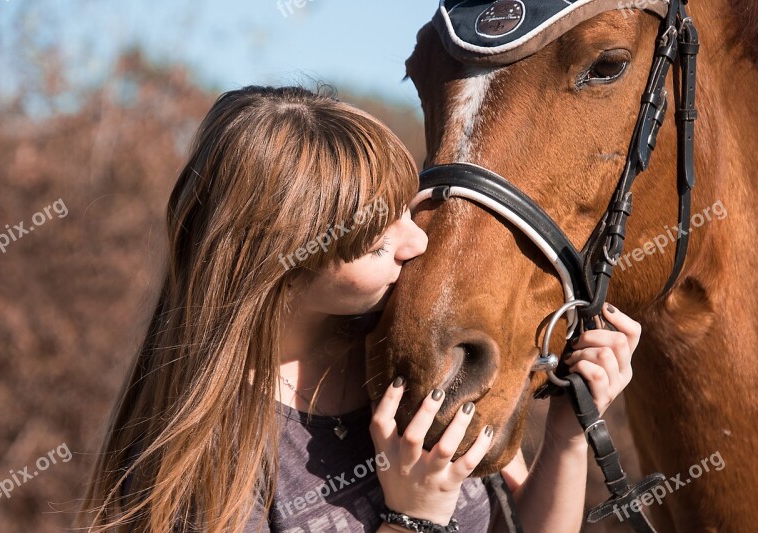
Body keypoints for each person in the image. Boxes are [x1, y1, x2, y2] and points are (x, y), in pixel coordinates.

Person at [77, 85, 641, 532]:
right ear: (283, 263)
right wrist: (413, 516)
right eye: (376, 240)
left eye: (407, 206)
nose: (416, 242)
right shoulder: (208, 454)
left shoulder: (405, 344)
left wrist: (570, 431)